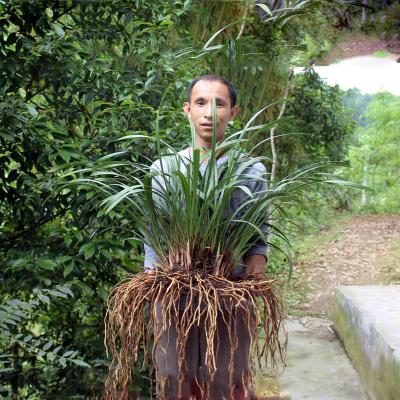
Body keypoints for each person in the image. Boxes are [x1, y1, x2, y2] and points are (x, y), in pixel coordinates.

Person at [144, 75, 268, 400]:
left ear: (234, 112)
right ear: (187, 110)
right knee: (173, 378)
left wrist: (250, 288)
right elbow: (153, 236)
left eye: (220, 103)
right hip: (173, 294)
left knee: (225, 381)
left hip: (230, 294)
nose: (209, 112)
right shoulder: (165, 168)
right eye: (201, 103)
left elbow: (257, 239)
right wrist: (154, 282)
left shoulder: (251, 170)